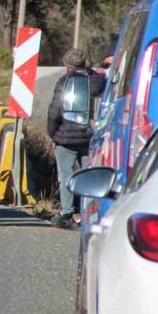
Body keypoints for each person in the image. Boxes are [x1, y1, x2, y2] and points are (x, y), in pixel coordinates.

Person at [47, 49, 104, 230]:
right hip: (90, 137)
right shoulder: (98, 82)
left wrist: (53, 133)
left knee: (66, 175)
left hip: (65, 137)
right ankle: (89, 214)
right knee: (88, 177)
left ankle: (67, 213)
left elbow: (54, 111)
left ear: (67, 66)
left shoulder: (64, 83)